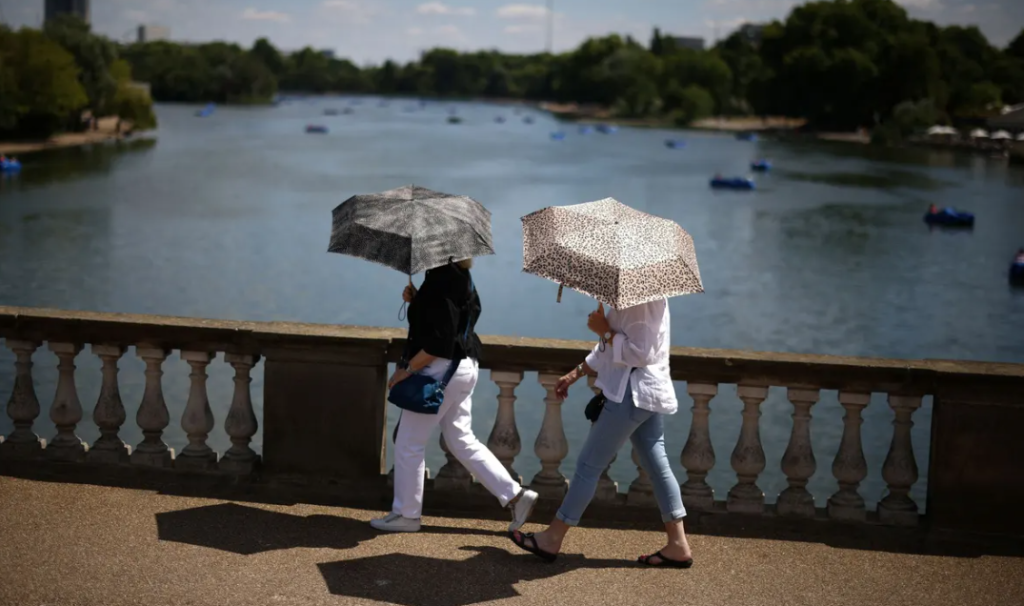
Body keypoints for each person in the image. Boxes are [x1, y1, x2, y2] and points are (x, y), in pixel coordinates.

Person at [509, 298, 694, 568]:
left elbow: (639, 353)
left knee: (587, 466)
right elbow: (614, 347)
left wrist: (605, 330)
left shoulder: (639, 301)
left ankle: (552, 538)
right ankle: (678, 545)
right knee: (657, 465)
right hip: (647, 393)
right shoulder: (639, 294)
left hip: (630, 395)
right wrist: (577, 372)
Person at [372, 258, 538, 533]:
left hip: (440, 369)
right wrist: (418, 302)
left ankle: (407, 514)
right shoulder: (462, 275)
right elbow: (457, 320)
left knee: (408, 442)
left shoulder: (439, 279)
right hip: (464, 366)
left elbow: (439, 342)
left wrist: (406, 371)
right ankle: (516, 495)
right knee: (460, 439)